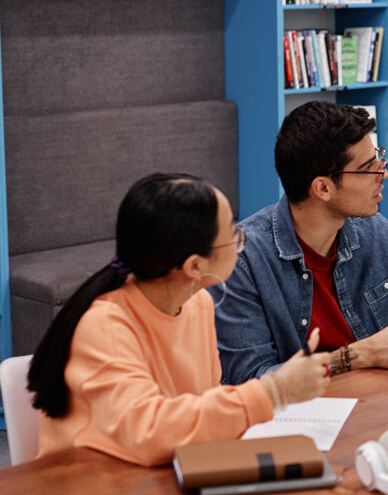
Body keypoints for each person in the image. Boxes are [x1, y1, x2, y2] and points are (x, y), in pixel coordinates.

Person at [28, 173, 333, 466]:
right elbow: (151, 432)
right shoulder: (105, 325)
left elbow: (200, 411)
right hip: (94, 479)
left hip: (165, 471)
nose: (243, 240)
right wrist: (273, 392)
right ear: (195, 265)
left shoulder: (197, 304)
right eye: (233, 235)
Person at [212, 102, 388, 385]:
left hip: (382, 401)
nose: (383, 174)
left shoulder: (375, 232)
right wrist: (356, 356)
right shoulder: (242, 259)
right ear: (323, 188)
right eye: (368, 168)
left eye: (379, 157)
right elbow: (249, 380)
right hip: (298, 417)